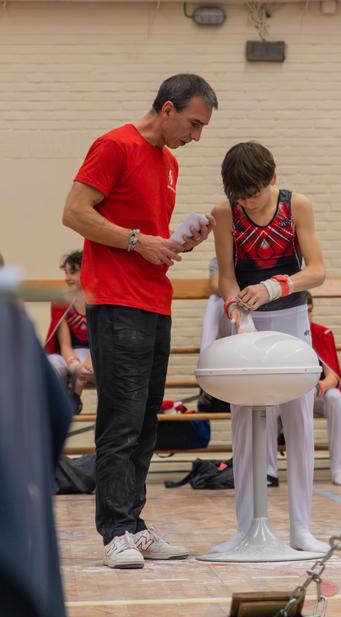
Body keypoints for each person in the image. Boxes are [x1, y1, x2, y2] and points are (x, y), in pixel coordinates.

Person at [62, 73, 218, 569]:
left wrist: (177, 243)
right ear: (167, 109)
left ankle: (133, 523)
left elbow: (150, 240)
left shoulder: (169, 162)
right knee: (120, 421)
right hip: (115, 302)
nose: (196, 136)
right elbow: (75, 212)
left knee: (146, 422)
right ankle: (114, 532)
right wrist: (136, 240)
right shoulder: (114, 145)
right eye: (193, 124)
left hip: (155, 301)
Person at [212, 141, 328, 553]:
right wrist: (234, 304)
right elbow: (226, 277)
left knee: (298, 423)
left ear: (273, 180)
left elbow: (316, 270)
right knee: (243, 426)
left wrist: (275, 285)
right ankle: (245, 528)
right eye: (240, 195)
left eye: (255, 193)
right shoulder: (225, 212)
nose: (248, 201)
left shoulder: (297, 205)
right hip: (247, 323)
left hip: (291, 320)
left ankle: (301, 528)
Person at [268, 292, 341, 486]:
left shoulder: (322, 333)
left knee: (336, 398)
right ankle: (269, 470)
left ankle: (338, 469)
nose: (306, 317)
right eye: (302, 312)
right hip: (286, 394)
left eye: (309, 312)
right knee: (268, 405)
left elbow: (333, 377)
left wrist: (319, 387)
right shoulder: (281, 336)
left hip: (315, 393)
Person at [44, 250, 94, 414]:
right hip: (70, 354)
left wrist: (88, 363)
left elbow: (104, 341)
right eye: (66, 272)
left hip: (96, 355)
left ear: (86, 271)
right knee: (49, 364)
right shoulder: (62, 302)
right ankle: (56, 406)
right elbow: (64, 345)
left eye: (72, 272)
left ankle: (75, 397)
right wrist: (75, 365)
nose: (66, 278)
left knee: (102, 366)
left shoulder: (99, 301)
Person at [197, 256, 231, 413]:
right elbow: (214, 285)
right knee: (215, 300)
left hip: (255, 306)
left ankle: (206, 363)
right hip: (231, 309)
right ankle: (206, 365)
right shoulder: (219, 259)